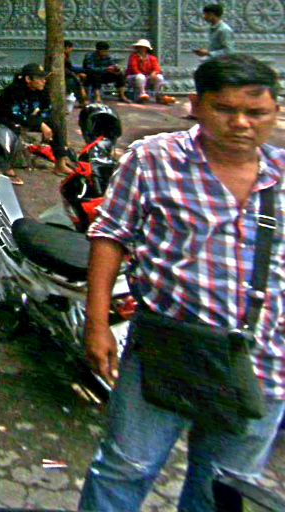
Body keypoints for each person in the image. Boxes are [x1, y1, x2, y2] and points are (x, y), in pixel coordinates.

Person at [79, 54, 285, 511]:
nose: (241, 123)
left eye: (256, 112)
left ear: (275, 111)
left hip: (262, 360)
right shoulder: (154, 159)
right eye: (225, 109)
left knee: (225, 487)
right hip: (166, 347)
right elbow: (110, 235)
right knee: (125, 468)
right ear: (196, 105)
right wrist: (96, 324)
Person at [0, 62, 74, 182]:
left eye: (44, 78)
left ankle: (60, 164)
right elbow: (15, 114)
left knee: (55, 125)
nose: (44, 81)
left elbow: (46, 110)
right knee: (13, 129)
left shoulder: (43, 90)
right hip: (5, 120)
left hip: (29, 118)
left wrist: (40, 122)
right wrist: (39, 123)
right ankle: (5, 169)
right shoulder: (14, 90)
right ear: (28, 79)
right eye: (40, 78)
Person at [125, 39, 176, 105]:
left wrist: (154, 73)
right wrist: (144, 75)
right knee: (141, 77)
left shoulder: (152, 58)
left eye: (143, 47)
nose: (141, 48)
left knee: (159, 77)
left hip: (148, 77)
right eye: (140, 47)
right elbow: (134, 69)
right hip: (134, 77)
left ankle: (157, 95)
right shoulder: (133, 57)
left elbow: (157, 68)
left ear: (146, 48)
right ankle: (142, 93)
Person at [64, 40, 88, 108]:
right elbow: (65, 70)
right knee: (74, 82)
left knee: (86, 73)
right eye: (71, 48)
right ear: (67, 48)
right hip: (66, 77)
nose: (72, 50)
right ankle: (82, 101)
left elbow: (70, 68)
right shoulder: (62, 56)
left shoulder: (66, 56)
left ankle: (84, 98)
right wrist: (75, 75)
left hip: (69, 74)